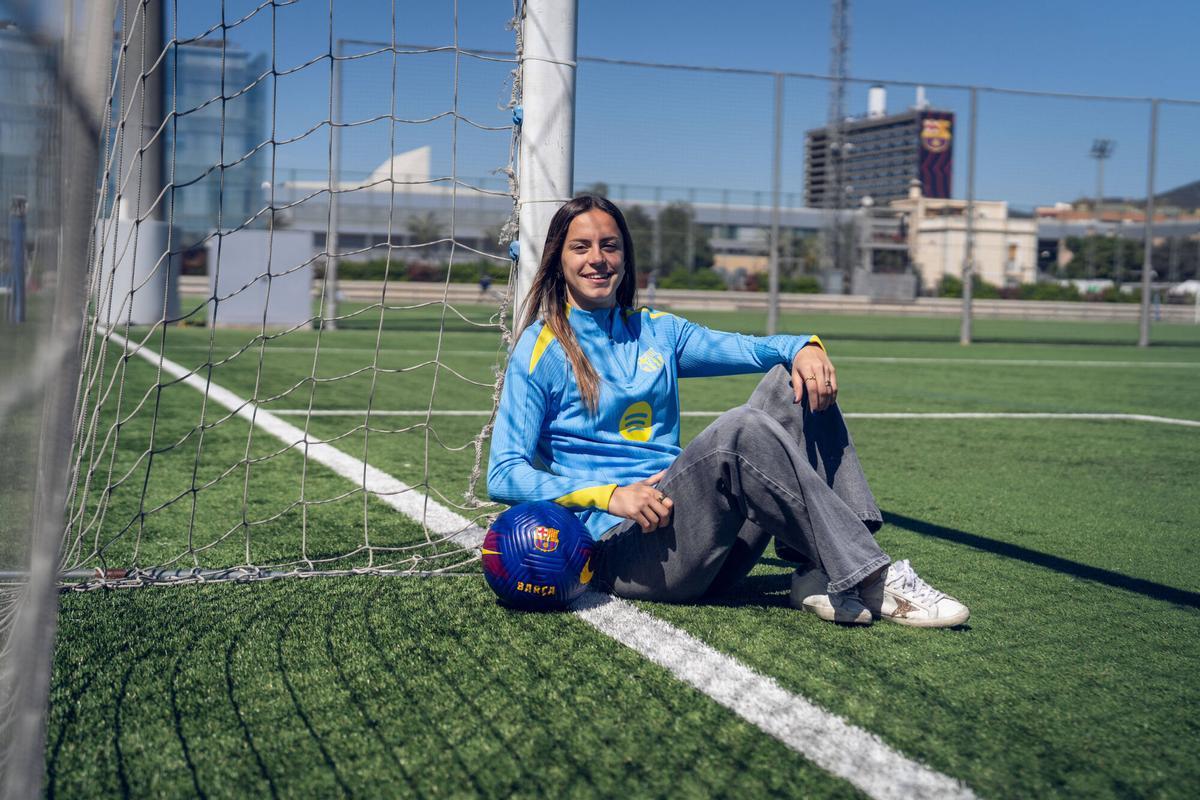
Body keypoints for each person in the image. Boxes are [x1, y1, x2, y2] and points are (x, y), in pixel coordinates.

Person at [487, 195, 968, 627]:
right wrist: (610, 495)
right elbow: (504, 474)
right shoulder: (540, 349)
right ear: (559, 260)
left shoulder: (658, 331)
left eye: (609, 246)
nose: (598, 259)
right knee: (738, 432)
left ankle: (815, 569)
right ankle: (869, 574)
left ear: (625, 257)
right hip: (626, 550)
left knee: (788, 382)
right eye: (582, 247)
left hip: (694, 532)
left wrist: (804, 346)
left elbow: (752, 348)